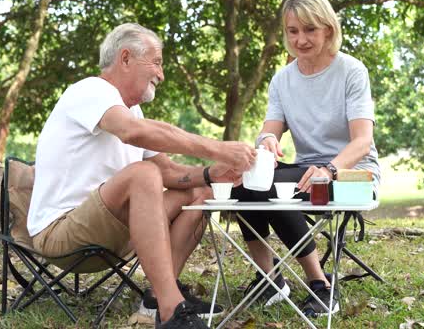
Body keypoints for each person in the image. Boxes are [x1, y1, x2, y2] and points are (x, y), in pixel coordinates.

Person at [27, 23, 256, 329]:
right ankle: (172, 311)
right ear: (125, 58)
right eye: (157, 62)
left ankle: (156, 298)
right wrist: (218, 149)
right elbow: (132, 133)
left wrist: (212, 173)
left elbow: (171, 172)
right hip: (62, 234)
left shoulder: (131, 111)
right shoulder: (90, 90)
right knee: (143, 174)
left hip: (114, 233)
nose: (161, 74)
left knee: (199, 193)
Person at [231, 0, 380, 317]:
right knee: (243, 183)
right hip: (307, 169)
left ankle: (321, 285)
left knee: (273, 188)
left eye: (310, 29)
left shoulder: (352, 71)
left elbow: (362, 142)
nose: (300, 39)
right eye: (292, 31)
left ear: (328, 28)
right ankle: (269, 280)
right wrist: (265, 141)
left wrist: (329, 170)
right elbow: (270, 129)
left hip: (354, 172)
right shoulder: (282, 80)